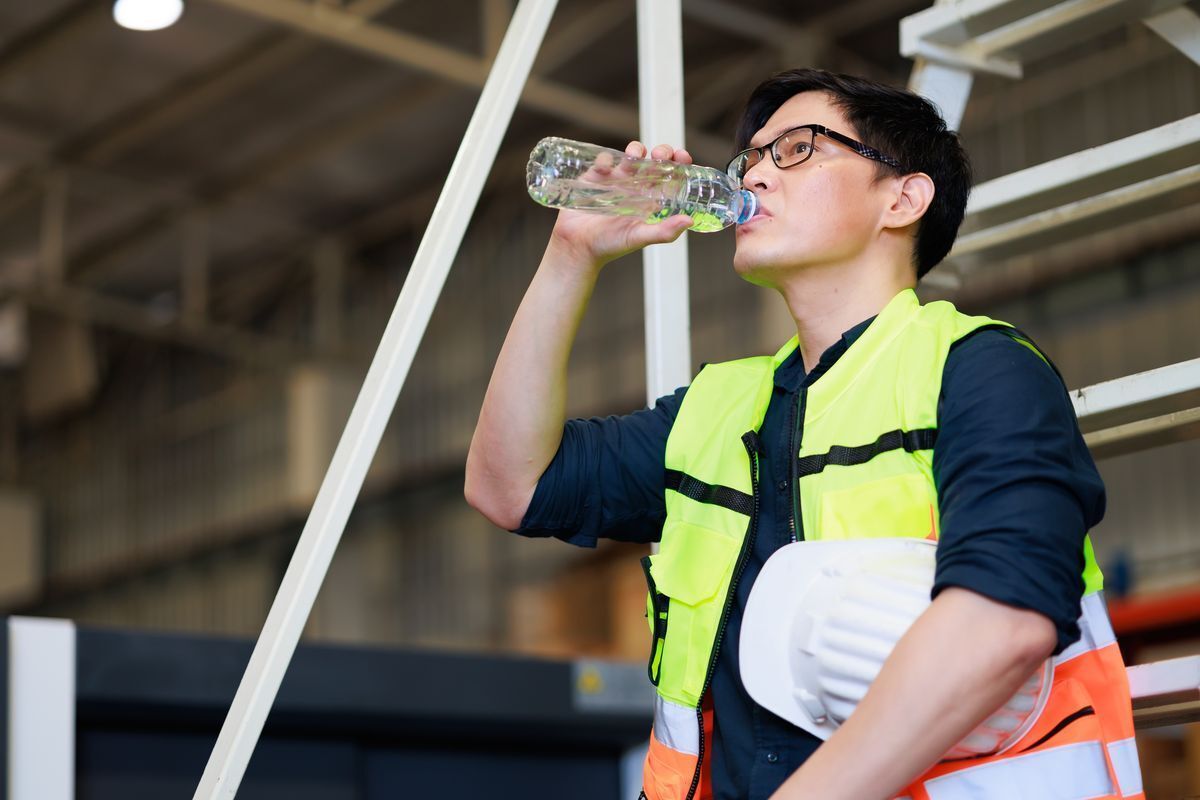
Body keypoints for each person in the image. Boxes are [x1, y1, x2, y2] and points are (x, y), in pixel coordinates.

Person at [465, 69, 1141, 800]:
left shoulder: (977, 371)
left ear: (903, 199)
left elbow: (1003, 625)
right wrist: (573, 256)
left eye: (796, 148)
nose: (756, 173)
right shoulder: (719, 408)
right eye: (750, 157)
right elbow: (507, 487)